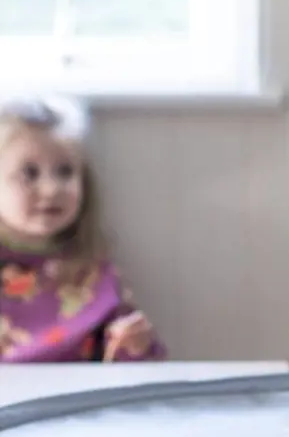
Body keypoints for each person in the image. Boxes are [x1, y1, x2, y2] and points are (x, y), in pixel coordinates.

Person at [0, 95, 166, 362]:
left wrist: (135, 345)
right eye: (29, 174)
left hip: (77, 397)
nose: (51, 189)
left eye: (65, 172)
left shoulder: (93, 268)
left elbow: (131, 369)